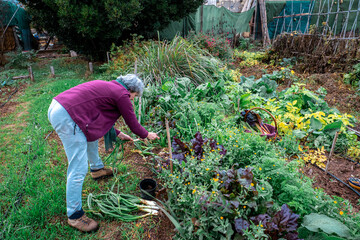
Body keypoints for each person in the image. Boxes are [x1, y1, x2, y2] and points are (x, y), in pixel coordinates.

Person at [47, 74, 159, 232]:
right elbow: (133, 124)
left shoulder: (111, 87)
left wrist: (118, 133)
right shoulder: (122, 94)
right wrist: (147, 135)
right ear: (131, 90)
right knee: (77, 168)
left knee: (91, 135)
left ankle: (97, 169)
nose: (132, 99)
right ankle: (74, 215)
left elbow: (96, 118)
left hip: (59, 106)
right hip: (67, 116)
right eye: (134, 96)